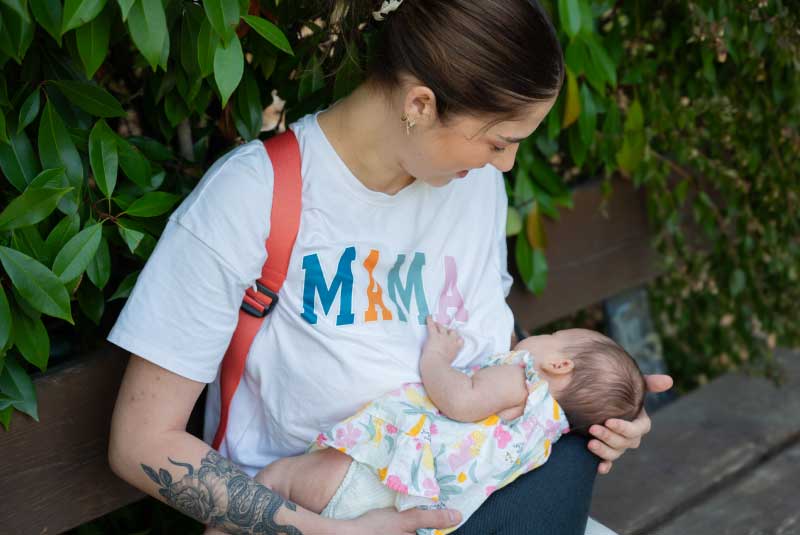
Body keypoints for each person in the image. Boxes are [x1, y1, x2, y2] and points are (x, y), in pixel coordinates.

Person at [107, 1, 674, 534]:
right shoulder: (253, 197)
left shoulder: (472, 189)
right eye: (501, 141)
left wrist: (588, 399)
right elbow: (142, 441)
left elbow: (486, 347)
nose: (507, 165)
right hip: (320, 511)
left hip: (467, 496)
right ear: (420, 105)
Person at [203, 316, 647, 535]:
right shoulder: (549, 433)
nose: (538, 337)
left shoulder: (522, 380)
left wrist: (436, 357)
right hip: (404, 509)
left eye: (553, 335)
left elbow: (460, 400)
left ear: (558, 361)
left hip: (372, 475)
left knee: (274, 482)